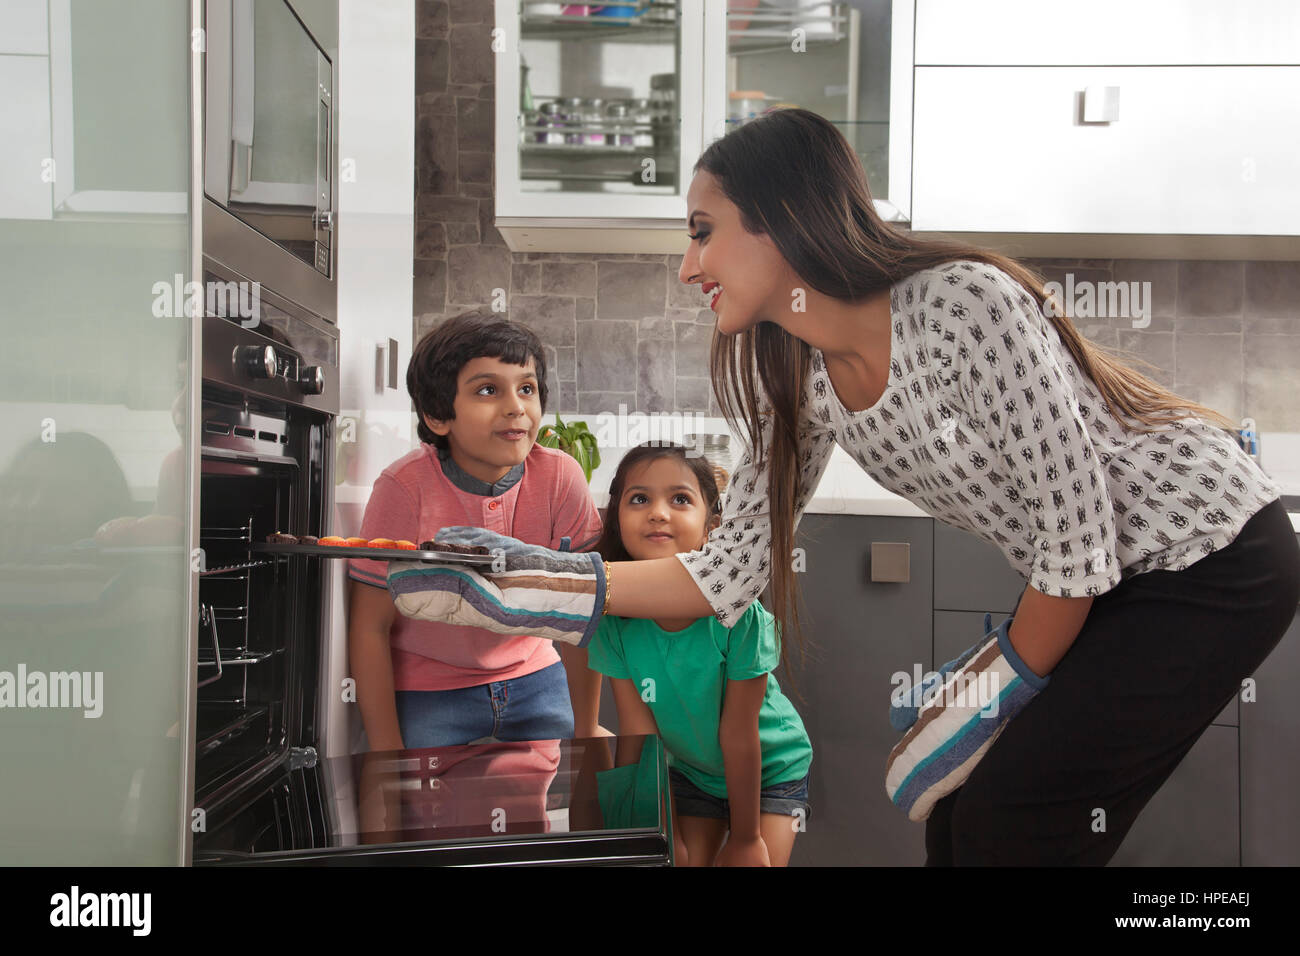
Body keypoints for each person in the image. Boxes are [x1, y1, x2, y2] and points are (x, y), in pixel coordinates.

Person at [385, 109, 1299, 866]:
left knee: (1016, 823)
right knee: (963, 822)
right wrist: (538, 584)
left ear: (779, 219)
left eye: (703, 231)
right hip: (1101, 579)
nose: (688, 266)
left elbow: (1078, 540)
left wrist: (987, 700)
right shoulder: (799, 377)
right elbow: (729, 568)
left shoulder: (962, 302)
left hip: (1213, 554)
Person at [347, 310, 604, 752]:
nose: (516, 407)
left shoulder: (561, 476)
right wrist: (385, 752)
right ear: (437, 415)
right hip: (429, 691)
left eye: (527, 388)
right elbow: (370, 626)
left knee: (536, 816)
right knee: (435, 820)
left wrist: (588, 728)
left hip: (536, 678)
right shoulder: (403, 488)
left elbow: (583, 612)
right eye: (489, 390)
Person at [584, 441, 812, 867]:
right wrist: (642, 824)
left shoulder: (739, 617)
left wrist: (745, 840)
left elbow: (740, 737)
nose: (657, 512)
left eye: (680, 499)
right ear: (616, 516)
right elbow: (639, 734)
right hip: (691, 773)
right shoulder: (613, 620)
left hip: (771, 772)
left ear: (712, 527)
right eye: (639, 499)